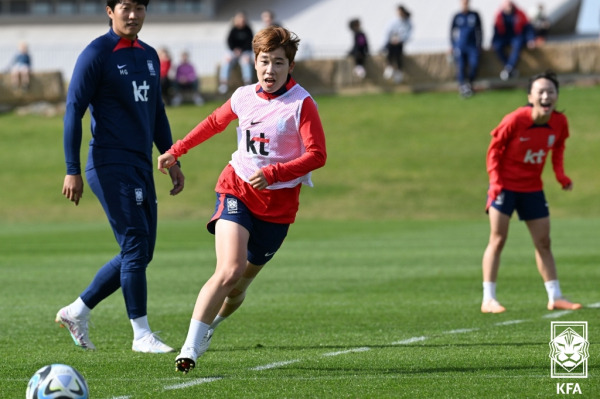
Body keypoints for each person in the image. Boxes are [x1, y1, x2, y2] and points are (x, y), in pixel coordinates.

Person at [157, 25, 327, 374]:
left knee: (238, 287)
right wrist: (176, 150)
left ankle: (210, 329)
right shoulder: (243, 95)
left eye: (278, 63)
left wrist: (274, 174)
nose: (270, 70)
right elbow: (212, 123)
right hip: (236, 189)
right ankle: (190, 346)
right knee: (229, 269)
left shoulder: (301, 104)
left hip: (278, 209)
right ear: (254, 61)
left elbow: (317, 154)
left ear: (290, 66)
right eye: (264, 62)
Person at [56, 0, 185, 353]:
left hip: (141, 164)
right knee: (134, 246)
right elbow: (73, 110)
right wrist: (72, 170)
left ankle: (76, 311)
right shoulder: (96, 53)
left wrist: (171, 156)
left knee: (141, 252)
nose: (133, 15)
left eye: (140, 7)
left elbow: (156, 112)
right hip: (109, 163)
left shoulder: (149, 55)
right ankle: (141, 335)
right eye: (126, 7)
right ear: (109, 10)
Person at [481, 71, 582, 314]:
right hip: (504, 186)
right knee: (498, 239)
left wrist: (561, 176)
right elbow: (494, 150)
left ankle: (555, 296)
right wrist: (495, 182)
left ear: (557, 96)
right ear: (531, 96)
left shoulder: (559, 123)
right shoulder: (515, 120)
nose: (546, 96)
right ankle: (488, 299)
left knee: (544, 242)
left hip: (532, 187)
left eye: (551, 91)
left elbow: (557, 149)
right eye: (541, 92)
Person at [492, 0, 536, 81]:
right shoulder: (499, 15)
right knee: (497, 46)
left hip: (517, 36)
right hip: (504, 36)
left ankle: (508, 68)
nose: (508, 7)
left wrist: (531, 39)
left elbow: (528, 28)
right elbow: (496, 30)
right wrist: (493, 42)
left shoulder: (520, 13)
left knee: (517, 45)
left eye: (509, 5)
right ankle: (510, 68)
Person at [450, 0, 482, 98]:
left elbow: (480, 31)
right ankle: (462, 87)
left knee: (474, 64)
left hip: (472, 46)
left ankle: (470, 84)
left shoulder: (474, 15)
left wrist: (479, 45)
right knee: (461, 66)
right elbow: (452, 31)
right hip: (461, 45)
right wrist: (453, 45)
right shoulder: (457, 16)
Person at [218, 11, 254, 95]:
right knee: (227, 60)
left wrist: (242, 50)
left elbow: (250, 42)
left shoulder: (248, 30)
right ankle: (224, 83)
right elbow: (229, 42)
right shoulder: (233, 30)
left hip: (245, 51)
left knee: (246, 61)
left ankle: (247, 82)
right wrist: (235, 50)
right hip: (233, 51)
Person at [382, 4, 412, 83]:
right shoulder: (393, 22)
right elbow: (388, 32)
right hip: (391, 42)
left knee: (398, 55)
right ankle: (389, 66)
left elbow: (407, 34)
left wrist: (399, 39)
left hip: (400, 43)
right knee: (389, 51)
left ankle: (398, 71)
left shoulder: (407, 22)